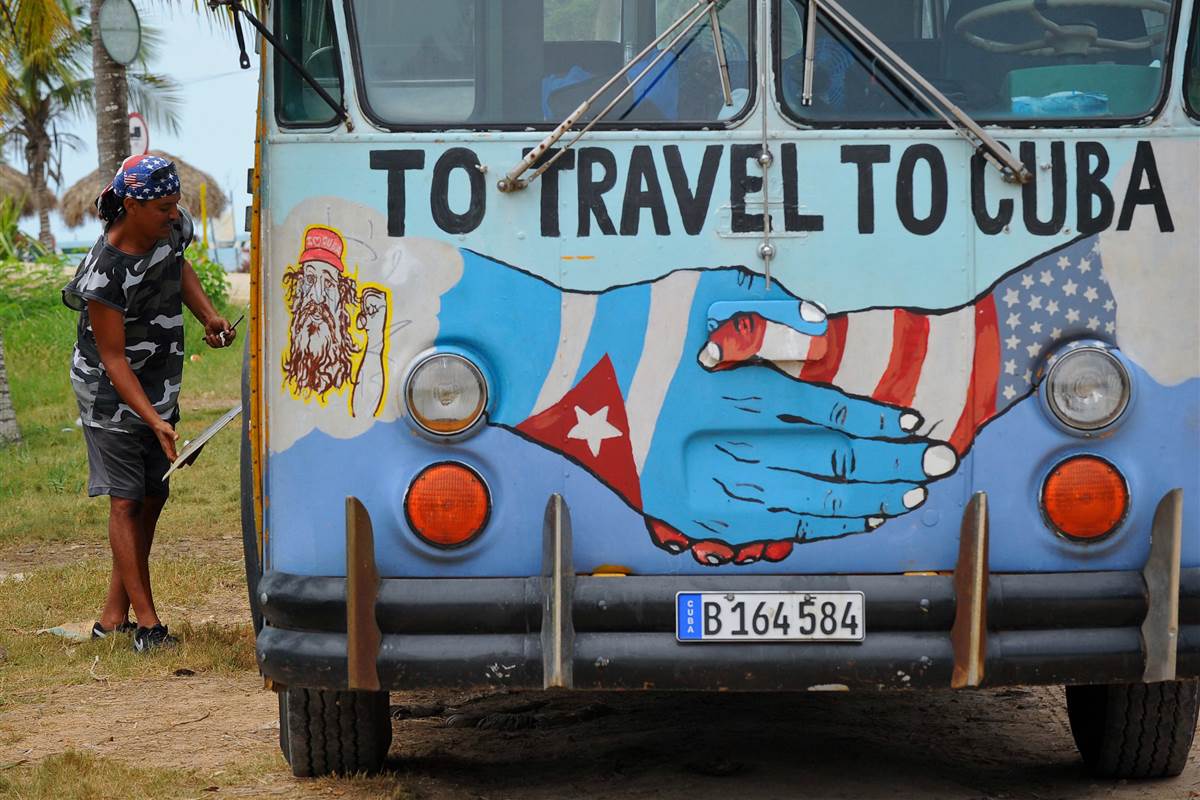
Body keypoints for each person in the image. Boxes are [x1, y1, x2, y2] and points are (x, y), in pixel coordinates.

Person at [62, 154, 235, 652]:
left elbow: (179, 270)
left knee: (153, 495)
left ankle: (112, 617)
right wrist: (155, 420)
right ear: (132, 205)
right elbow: (113, 360)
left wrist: (208, 316)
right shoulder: (103, 273)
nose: (173, 214)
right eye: (162, 206)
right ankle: (149, 627)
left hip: (158, 380)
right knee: (126, 499)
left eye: (175, 205)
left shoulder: (169, 228)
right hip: (108, 391)